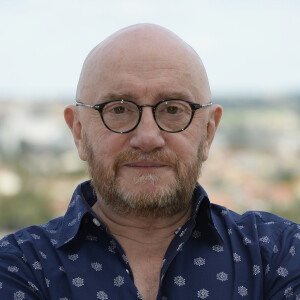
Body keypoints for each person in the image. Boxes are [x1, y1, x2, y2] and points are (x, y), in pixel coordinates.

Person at [0, 23, 299, 300]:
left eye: (172, 109)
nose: (147, 137)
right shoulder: (19, 265)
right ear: (78, 131)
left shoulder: (279, 252)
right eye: (118, 109)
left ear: (208, 132)